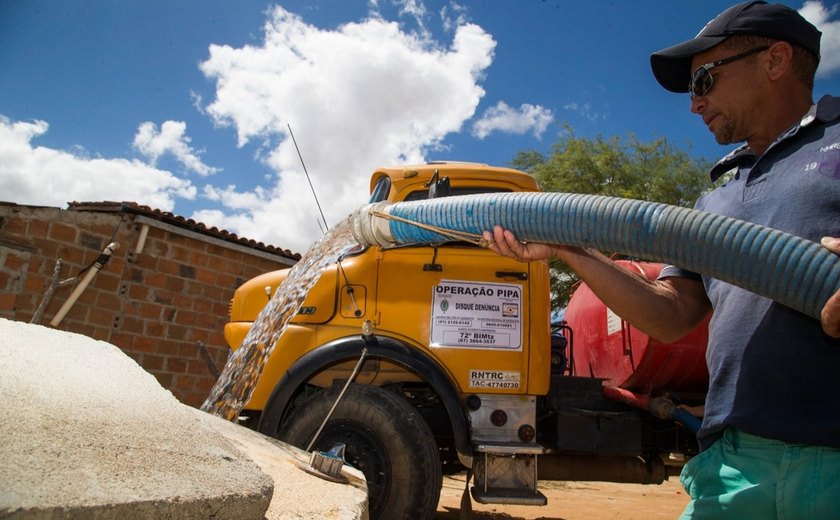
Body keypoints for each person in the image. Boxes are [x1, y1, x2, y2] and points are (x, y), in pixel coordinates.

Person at [484, 2, 840, 518]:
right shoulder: (716, 201)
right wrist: (569, 250)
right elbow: (670, 314)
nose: (695, 106)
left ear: (776, 59)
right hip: (734, 463)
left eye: (704, 82)